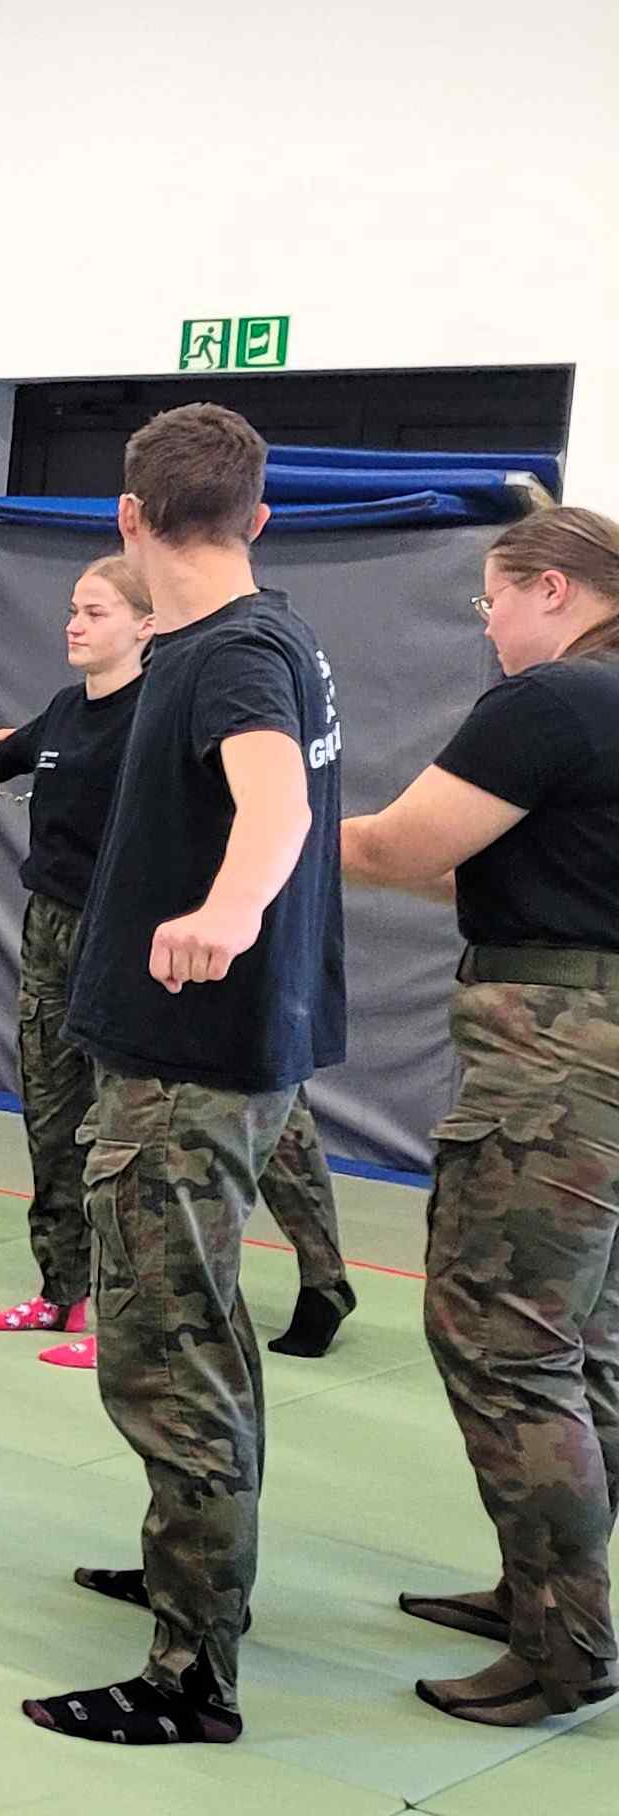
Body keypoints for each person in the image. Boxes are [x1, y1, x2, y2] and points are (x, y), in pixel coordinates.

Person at [20, 404, 345, 1747]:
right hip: (206, 1055)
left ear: (130, 517)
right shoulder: (261, 637)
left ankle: (191, 1676)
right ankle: (191, 1578)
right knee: (199, 1339)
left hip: (188, 1064)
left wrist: (227, 906)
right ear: (258, 516)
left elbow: (277, 804)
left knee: (169, 1357)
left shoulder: (232, 656)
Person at [0, 556, 357, 1365]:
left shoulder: (175, 705)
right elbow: (10, 755)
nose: (75, 625)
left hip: (138, 939)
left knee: (241, 1128)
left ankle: (314, 1278)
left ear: (146, 626)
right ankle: (64, 1289)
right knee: (56, 1116)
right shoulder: (64, 712)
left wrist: (227, 907)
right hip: (55, 932)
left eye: (97, 612)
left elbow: (271, 800)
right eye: (72, 610)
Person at [336, 501, 619, 1727]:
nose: (489, 623)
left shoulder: (554, 699)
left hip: (555, 1054)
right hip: (599, 1043)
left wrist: (274, 831)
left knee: (506, 1342)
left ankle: (565, 1640)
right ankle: (538, 1593)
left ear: (553, 588)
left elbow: (404, 846)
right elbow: (500, 865)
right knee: (584, 1340)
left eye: (493, 598)